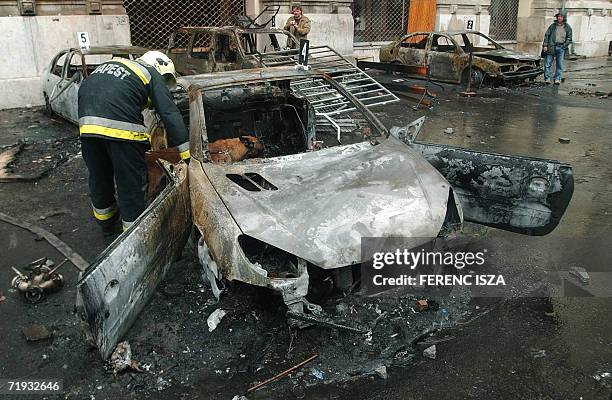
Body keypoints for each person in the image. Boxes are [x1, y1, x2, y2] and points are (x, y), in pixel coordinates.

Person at [78, 50, 190, 235]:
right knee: (130, 184)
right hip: (122, 131)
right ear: (160, 68)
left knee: (99, 178)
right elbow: (170, 114)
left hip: (88, 128)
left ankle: (106, 226)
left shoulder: (109, 67)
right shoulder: (150, 73)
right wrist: (187, 156)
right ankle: (134, 235)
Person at [542, 10, 572, 85]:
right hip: (551, 46)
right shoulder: (552, 26)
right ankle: (547, 78)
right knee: (547, 63)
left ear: (564, 18)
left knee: (559, 64)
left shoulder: (567, 27)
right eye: (558, 16)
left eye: (561, 16)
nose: (559, 18)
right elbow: (547, 35)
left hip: (561, 47)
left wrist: (564, 46)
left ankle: (557, 79)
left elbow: (569, 38)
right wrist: (545, 45)